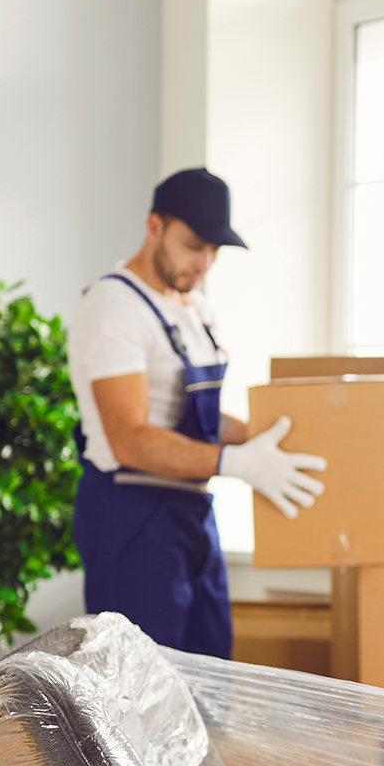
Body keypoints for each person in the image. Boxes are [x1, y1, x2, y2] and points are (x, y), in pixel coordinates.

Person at [69, 168, 326, 658]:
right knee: (143, 686)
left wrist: (261, 440)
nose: (203, 262)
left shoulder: (196, 311)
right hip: (131, 518)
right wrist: (233, 463)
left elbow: (199, 419)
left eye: (214, 250)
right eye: (193, 245)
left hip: (193, 515)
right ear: (154, 227)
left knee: (211, 674)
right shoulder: (114, 309)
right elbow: (130, 438)